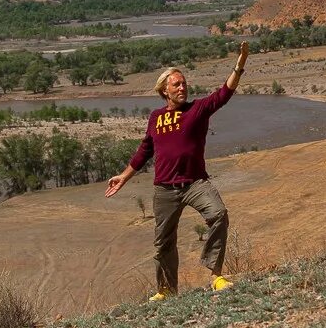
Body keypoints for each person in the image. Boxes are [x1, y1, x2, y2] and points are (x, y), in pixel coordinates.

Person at [105, 41, 250, 301]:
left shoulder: (197, 110)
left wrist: (239, 66)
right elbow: (144, 151)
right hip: (164, 189)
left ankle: (216, 275)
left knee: (218, 214)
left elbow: (223, 94)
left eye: (184, 83)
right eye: (176, 85)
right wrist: (124, 177)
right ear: (164, 91)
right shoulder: (156, 118)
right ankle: (166, 291)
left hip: (195, 183)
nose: (182, 87)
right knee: (163, 243)